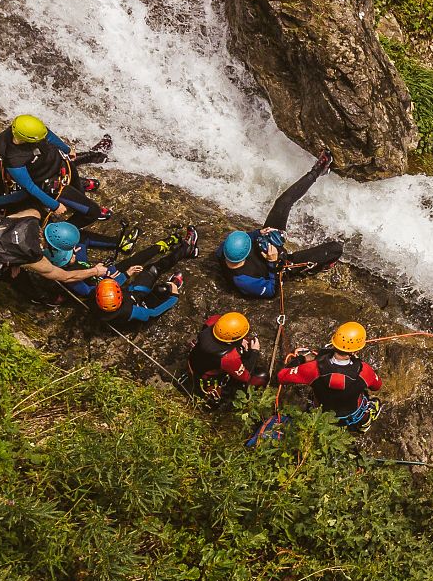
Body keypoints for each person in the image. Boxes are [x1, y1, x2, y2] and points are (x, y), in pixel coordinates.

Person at [220, 150, 342, 297]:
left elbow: (247, 237)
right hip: (280, 266)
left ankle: (317, 171)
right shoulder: (244, 281)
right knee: (335, 249)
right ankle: (319, 267)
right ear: (244, 256)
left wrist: (258, 233)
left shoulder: (226, 249)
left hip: (265, 243)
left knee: (282, 203)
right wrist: (272, 263)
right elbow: (272, 291)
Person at [0, 114, 112, 225]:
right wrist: (54, 205)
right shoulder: (14, 160)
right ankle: (62, 231)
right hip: (52, 185)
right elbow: (31, 187)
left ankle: (81, 197)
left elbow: (49, 135)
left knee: (78, 188)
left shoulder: (28, 128)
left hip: (62, 165)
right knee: (93, 212)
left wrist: (67, 150)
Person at [276, 321, 382, 432]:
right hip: (352, 416)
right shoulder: (364, 370)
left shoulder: (313, 368)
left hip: (321, 414)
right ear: (356, 350)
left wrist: (301, 359)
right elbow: (377, 386)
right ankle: (364, 422)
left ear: (335, 342)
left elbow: (282, 376)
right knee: (370, 399)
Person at [90, 226, 199, 326]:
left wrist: (126, 274)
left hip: (132, 293)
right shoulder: (130, 311)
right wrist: (174, 297)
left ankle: (186, 251)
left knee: (151, 270)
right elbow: (153, 313)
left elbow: (111, 286)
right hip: (140, 303)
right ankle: (186, 252)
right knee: (163, 289)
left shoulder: (95, 298)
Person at [186, 312, 269, 405]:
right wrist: (254, 351)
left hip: (196, 362)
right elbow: (246, 376)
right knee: (262, 376)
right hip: (209, 378)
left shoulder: (214, 321)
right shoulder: (228, 358)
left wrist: (239, 342)